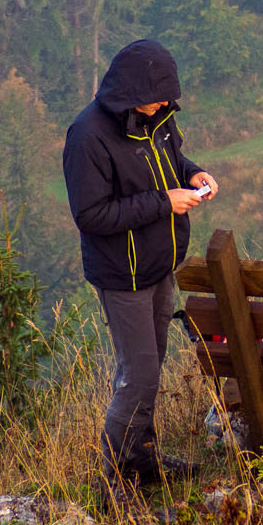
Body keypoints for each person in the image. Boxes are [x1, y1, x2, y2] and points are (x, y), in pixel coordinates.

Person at [63, 38, 218, 492]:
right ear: (130, 93)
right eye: (158, 96)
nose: (166, 103)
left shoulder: (158, 118)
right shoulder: (88, 136)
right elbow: (90, 216)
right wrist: (162, 203)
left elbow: (169, 159)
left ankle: (144, 464)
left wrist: (191, 173)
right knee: (139, 377)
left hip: (157, 265)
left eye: (169, 96)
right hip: (121, 276)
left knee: (149, 372)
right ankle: (112, 484)